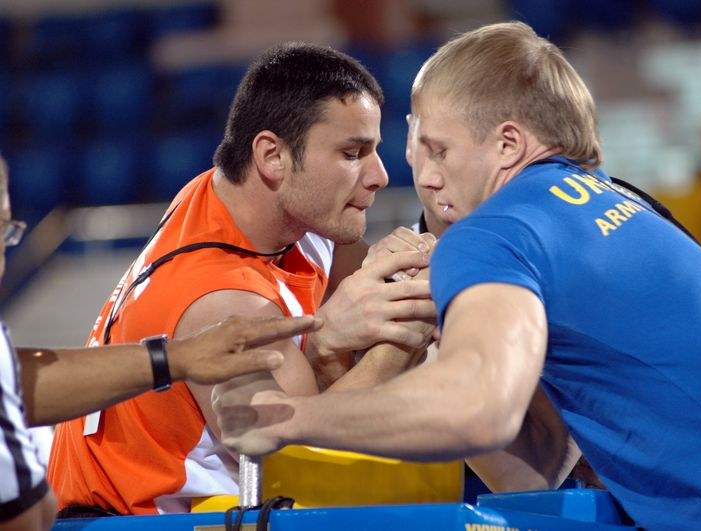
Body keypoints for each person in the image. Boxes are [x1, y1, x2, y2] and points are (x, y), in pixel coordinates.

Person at [213, 22, 701, 530]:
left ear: (509, 145)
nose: (427, 178)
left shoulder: (495, 230)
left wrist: (286, 416)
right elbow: (544, 459)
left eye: (439, 151)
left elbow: (479, 406)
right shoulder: (618, 202)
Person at [47, 43, 436, 516]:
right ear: (271, 156)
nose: (379, 174)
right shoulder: (224, 305)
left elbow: (353, 292)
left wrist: (383, 291)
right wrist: (402, 334)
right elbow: (310, 462)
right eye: (352, 153)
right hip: (126, 524)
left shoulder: (240, 198)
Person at [0, 155, 322, 531]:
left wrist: (173, 359)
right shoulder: (220, 289)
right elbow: (25, 518)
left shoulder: (198, 208)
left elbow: (18, 378)